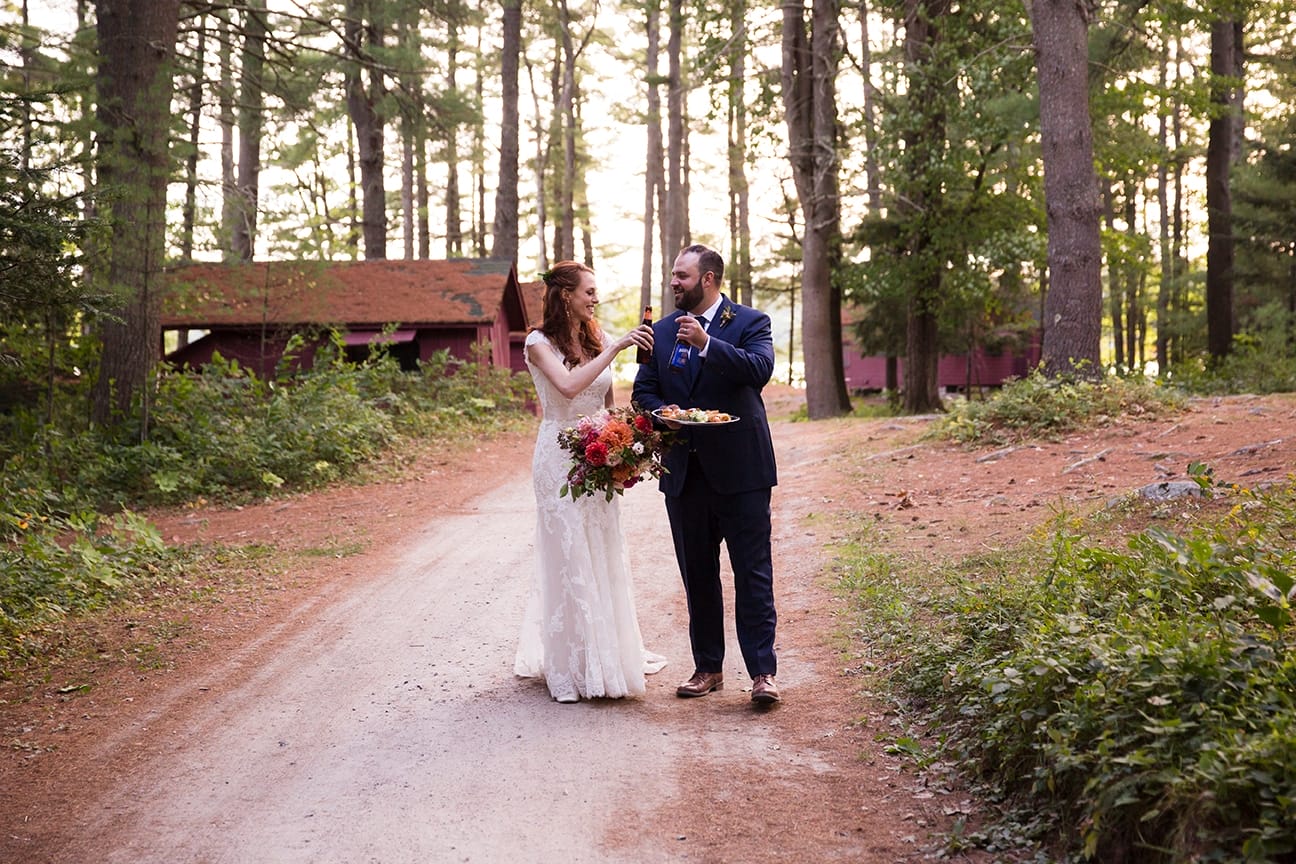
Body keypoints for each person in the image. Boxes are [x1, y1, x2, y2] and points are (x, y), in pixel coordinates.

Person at [631, 244, 781, 705]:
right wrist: (664, 413)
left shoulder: (750, 323)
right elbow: (643, 392)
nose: (674, 282)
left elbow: (760, 370)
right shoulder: (659, 332)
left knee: (752, 573)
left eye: (683, 276)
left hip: (742, 471)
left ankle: (762, 674)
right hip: (685, 474)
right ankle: (708, 668)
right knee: (697, 574)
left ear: (709, 279)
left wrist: (708, 344)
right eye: (674, 275)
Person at [513, 260, 668, 703]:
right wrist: (617, 347)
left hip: (594, 453)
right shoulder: (537, 342)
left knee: (601, 545)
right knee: (568, 550)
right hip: (556, 455)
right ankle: (571, 664)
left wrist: (624, 445)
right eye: (589, 291)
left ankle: (608, 652)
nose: (595, 299)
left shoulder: (593, 338)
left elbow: (607, 401)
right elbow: (566, 387)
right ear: (566, 296)